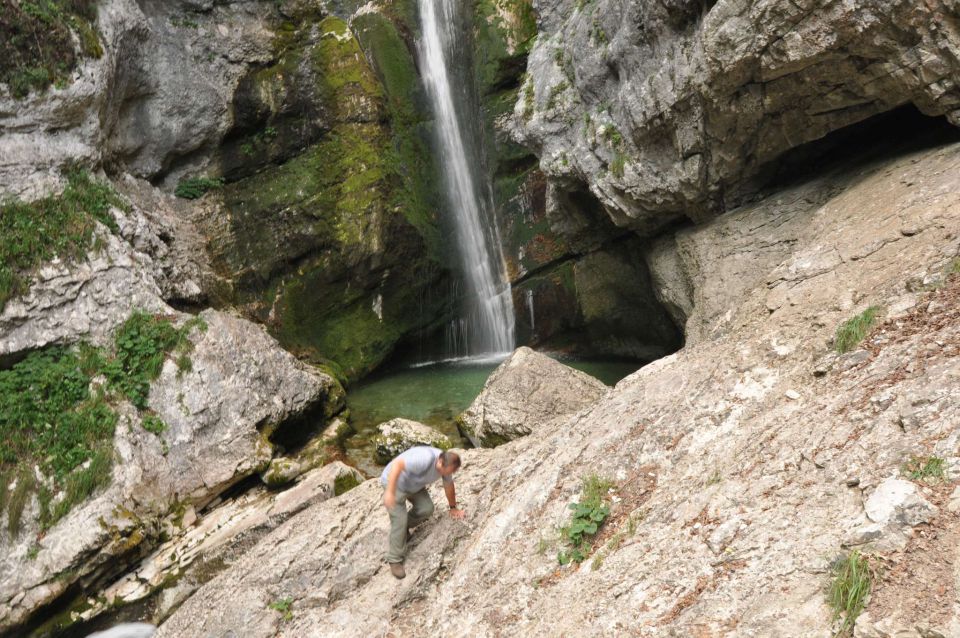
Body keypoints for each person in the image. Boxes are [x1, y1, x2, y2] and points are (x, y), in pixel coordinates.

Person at [380, 446, 464, 579]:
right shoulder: (424, 459)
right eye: (448, 471)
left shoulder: (446, 465)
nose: (448, 474)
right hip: (394, 483)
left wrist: (453, 507)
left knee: (426, 508)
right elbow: (397, 465)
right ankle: (394, 559)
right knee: (399, 520)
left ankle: (402, 528)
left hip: (414, 485)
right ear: (440, 463)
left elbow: (448, 485)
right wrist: (390, 492)